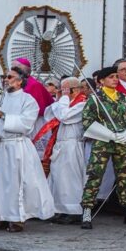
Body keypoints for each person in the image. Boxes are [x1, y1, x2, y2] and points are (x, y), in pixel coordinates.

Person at [0, 68, 56, 232]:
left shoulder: (28, 100)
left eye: (9, 77)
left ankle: (16, 218)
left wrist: (3, 116)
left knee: (15, 183)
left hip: (16, 145)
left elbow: (27, 123)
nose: (5, 80)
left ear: (20, 81)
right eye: (5, 77)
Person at [79, 66, 126, 229]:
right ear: (101, 81)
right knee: (95, 175)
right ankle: (87, 211)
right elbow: (87, 121)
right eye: (111, 77)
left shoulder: (123, 97)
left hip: (122, 142)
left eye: (116, 76)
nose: (115, 79)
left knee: (124, 177)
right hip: (102, 142)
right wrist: (109, 135)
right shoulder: (95, 99)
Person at [43, 77, 89, 224]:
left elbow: (64, 116)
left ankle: (73, 211)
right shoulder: (66, 102)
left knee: (70, 178)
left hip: (72, 144)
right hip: (61, 143)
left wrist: (62, 100)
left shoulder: (82, 103)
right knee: (58, 177)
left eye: (63, 90)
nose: (61, 93)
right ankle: (60, 209)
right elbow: (49, 114)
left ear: (74, 90)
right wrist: (61, 99)